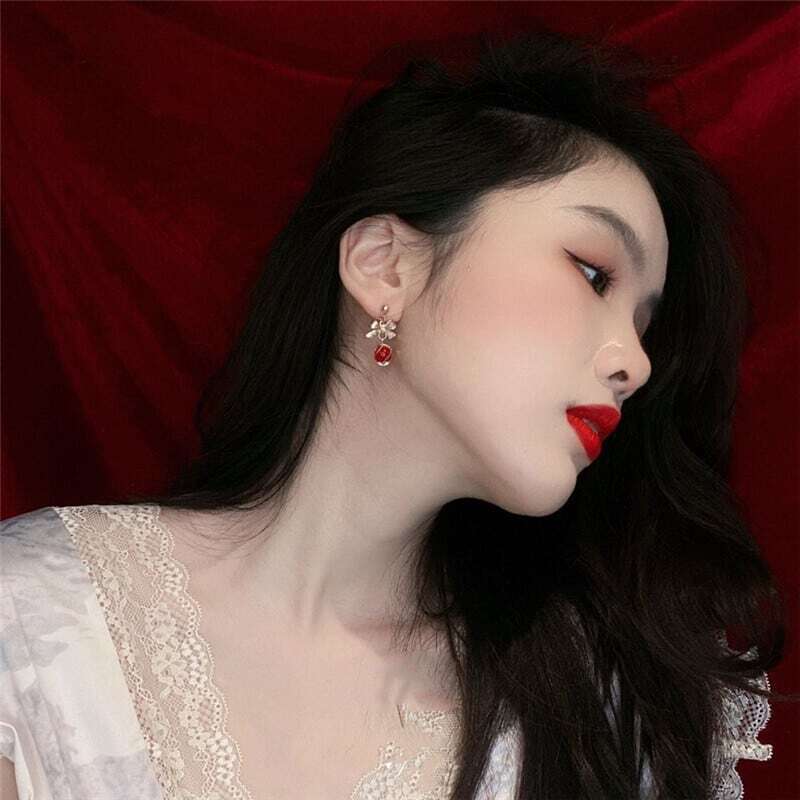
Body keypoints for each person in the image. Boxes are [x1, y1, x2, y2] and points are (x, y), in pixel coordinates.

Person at [1, 27, 792, 800]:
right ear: (384, 266)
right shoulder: (40, 623)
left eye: (645, 325)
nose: (636, 364)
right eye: (593, 273)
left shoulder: (600, 718)